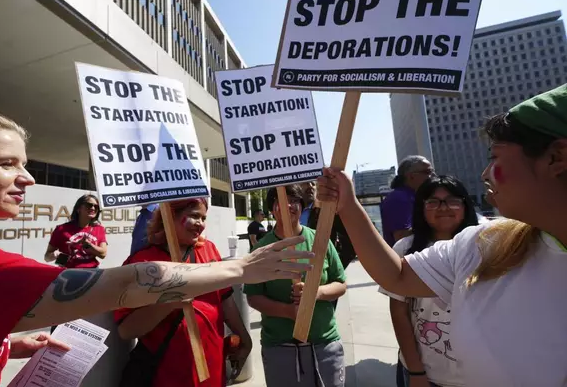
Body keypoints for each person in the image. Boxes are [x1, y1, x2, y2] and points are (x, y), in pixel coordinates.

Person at [0, 78, 314, 387]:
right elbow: (133, 282)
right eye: (7, 164)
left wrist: (3, 346)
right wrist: (243, 267)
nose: (27, 177)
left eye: (24, 163)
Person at [315, 84, 567, 386]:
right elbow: (396, 276)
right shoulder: (484, 243)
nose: (485, 173)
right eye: (432, 201)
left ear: (556, 158)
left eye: (496, 157)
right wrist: (348, 205)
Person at [115, 198, 252, 387]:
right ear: (170, 216)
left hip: (212, 371)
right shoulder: (143, 262)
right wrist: (170, 300)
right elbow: (126, 330)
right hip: (168, 375)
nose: (201, 225)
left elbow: (225, 299)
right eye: (195, 216)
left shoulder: (208, 249)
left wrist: (244, 337)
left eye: (204, 218)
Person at [378, 176, 478, 387]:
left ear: (465, 205)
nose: (443, 208)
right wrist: (416, 371)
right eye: (433, 201)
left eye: (452, 200)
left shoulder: (484, 244)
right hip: (426, 374)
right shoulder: (405, 249)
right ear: (421, 208)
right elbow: (399, 313)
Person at [245, 185, 347, 387]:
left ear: (302, 206)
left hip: (324, 343)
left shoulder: (320, 240)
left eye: (294, 200)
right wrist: (288, 311)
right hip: (280, 348)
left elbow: (341, 284)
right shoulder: (261, 249)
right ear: (272, 209)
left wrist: (316, 293)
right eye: (280, 200)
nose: (288, 205)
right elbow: (253, 296)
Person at [380, 156, 434, 247]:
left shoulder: (413, 197)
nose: (433, 176)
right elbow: (401, 237)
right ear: (411, 176)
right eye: (428, 172)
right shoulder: (399, 198)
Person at [44, 194, 107, 268]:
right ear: (78, 209)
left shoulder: (99, 229)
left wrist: (88, 245)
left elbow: (103, 254)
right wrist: (55, 255)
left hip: (92, 271)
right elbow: (47, 257)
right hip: (68, 273)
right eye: (89, 205)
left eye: (96, 207)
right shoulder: (61, 229)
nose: (93, 208)